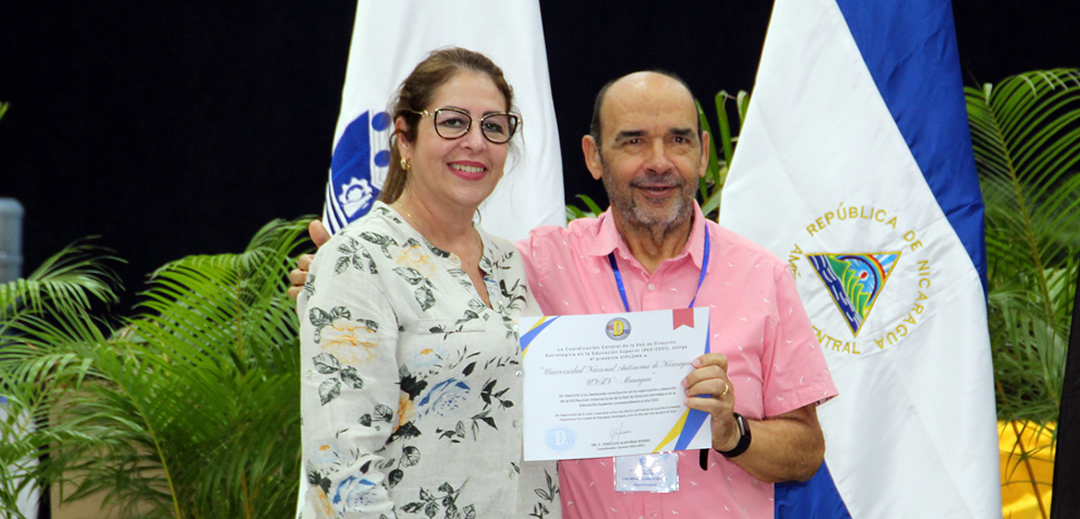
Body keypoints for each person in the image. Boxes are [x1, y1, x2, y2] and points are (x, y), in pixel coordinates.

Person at [294, 70, 837, 519]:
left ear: (703, 152)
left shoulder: (762, 276)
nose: (659, 160)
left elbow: (807, 451)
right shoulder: (537, 264)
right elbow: (423, 287)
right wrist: (333, 279)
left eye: (678, 138)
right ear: (593, 157)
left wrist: (731, 430)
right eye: (632, 140)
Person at [295, 47, 560, 519]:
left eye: (494, 126)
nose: (476, 142)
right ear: (404, 138)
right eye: (453, 122)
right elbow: (341, 468)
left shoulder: (507, 262)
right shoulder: (357, 259)